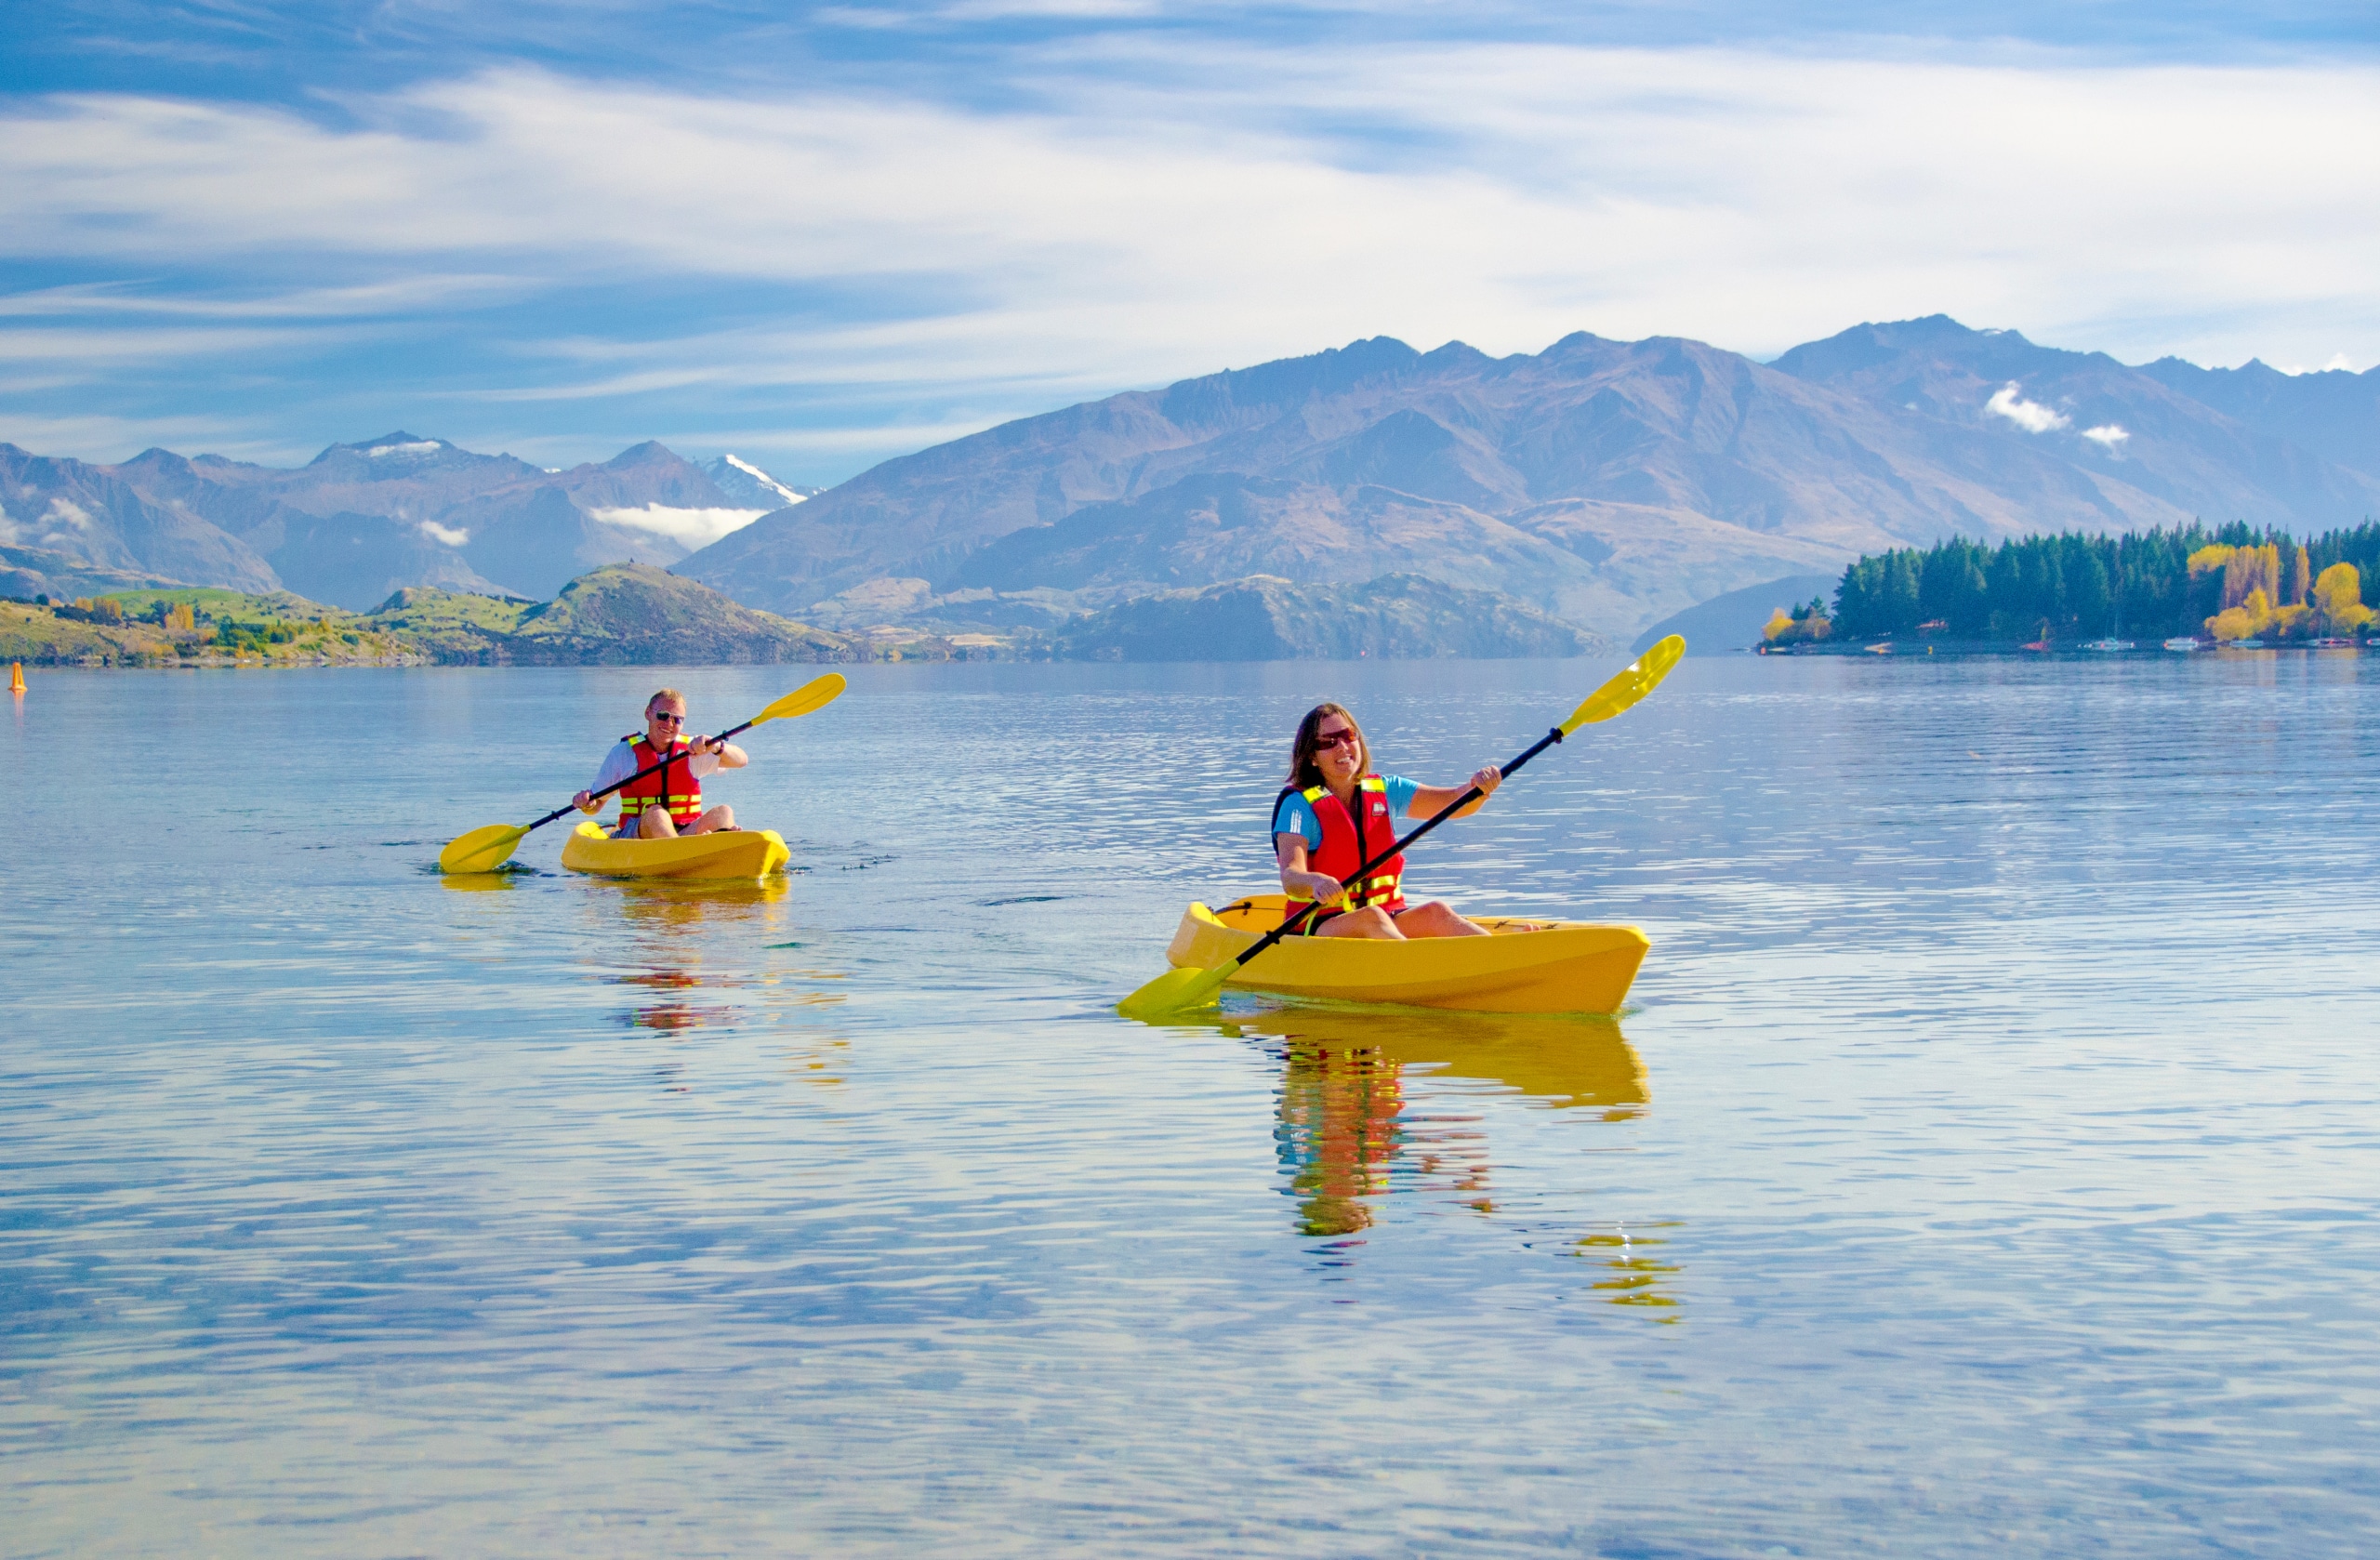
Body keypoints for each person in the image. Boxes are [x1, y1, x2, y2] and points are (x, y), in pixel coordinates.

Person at [1272, 702, 1501, 939]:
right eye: (1328, 742)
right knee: (1372, 917)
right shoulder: (1298, 805)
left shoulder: (1386, 789)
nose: (1342, 747)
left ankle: (1499, 954)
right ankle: (1419, 969)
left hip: (1386, 915)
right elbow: (1291, 876)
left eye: (1348, 736)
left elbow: (1453, 804)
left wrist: (1477, 789)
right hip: (1320, 925)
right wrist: (1316, 882)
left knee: (1436, 912)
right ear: (1312, 757)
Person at [574, 688, 748, 839]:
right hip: (638, 836)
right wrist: (587, 803)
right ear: (648, 713)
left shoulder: (693, 749)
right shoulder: (623, 753)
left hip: (685, 833)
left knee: (723, 812)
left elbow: (742, 761)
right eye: (663, 716)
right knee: (656, 814)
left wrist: (717, 746)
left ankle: (714, 847)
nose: (669, 724)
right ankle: (687, 852)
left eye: (677, 719)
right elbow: (595, 807)